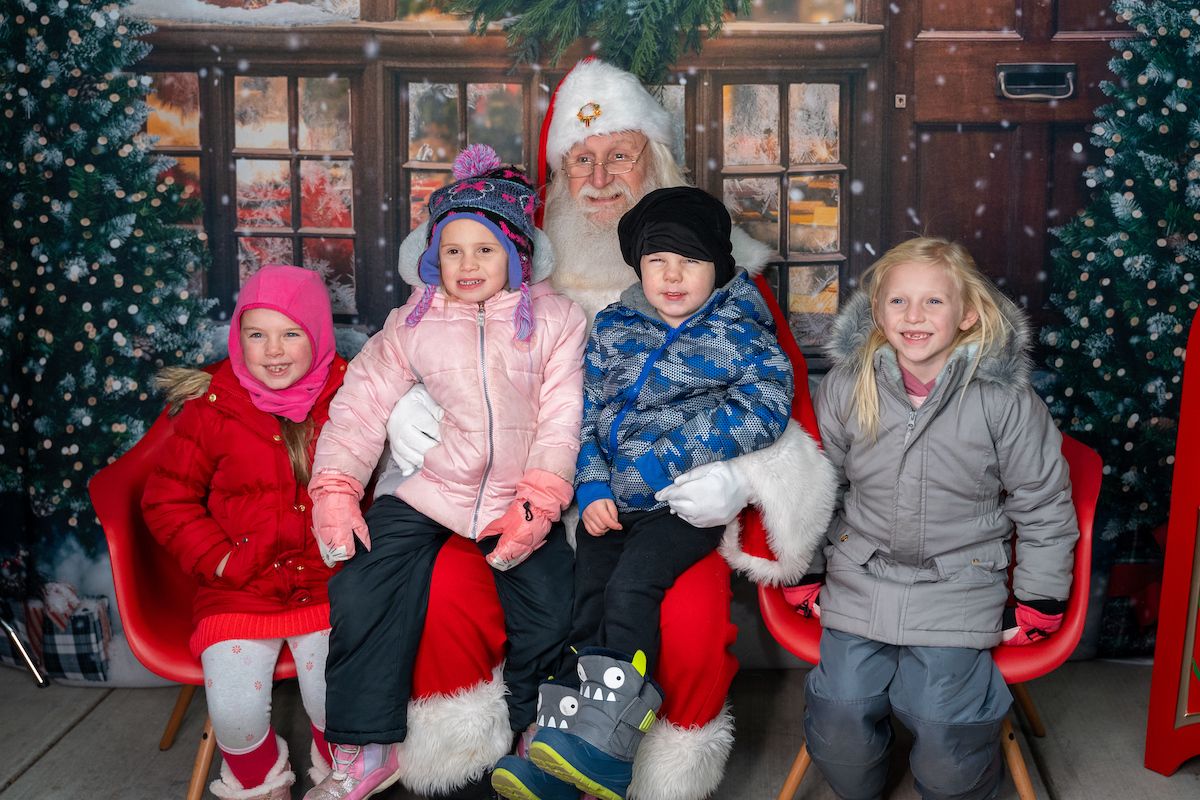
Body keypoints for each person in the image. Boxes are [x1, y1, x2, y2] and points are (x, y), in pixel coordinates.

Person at [383, 58, 836, 798]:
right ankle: (478, 767)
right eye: (580, 160)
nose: (598, 177)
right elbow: (409, 351)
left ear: (653, 160)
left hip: (663, 506)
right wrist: (408, 403)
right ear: (557, 176)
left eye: (619, 155)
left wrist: (740, 479)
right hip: (507, 497)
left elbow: (781, 408)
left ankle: (630, 771)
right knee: (446, 592)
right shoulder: (501, 264)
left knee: (681, 623)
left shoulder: (728, 291)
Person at [303, 145, 587, 800]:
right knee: (359, 590)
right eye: (453, 251)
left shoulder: (556, 322)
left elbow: (561, 419)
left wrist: (538, 503)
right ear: (434, 256)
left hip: (513, 497)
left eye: (484, 251)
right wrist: (338, 491)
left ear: (516, 254)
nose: (467, 266)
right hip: (430, 490)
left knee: (548, 606)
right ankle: (368, 747)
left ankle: (531, 733)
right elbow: (360, 408)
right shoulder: (415, 321)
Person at [495, 186, 795, 799]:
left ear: (719, 266)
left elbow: (766, 407)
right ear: (639, 267)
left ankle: (609, 749)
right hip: (614, 504)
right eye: (658, 261)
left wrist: (668, 463)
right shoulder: (613, 327)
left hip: (681, 505)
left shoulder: (740, 331)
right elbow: (588, 412)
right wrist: (595, 481)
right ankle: (560, 752)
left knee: (634, 588)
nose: (673, 275)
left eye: (690, 260)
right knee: (589, 598)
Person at [796, 237, 1079, 800]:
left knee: (948, 722)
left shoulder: (1005, 400)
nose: (914, 317)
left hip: (960, 584)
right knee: (841, 713)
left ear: (968, 313)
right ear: (876, 312)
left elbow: (1044, 501)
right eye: (898, 302)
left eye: (934, 302)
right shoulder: (848, 388)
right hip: (862, 577)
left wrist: (1042, 596)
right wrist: (802, 568)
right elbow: (813, 487)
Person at [141, 264, 346, 800]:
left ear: (318, 334)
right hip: (240, 587)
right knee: (233, 711)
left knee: (337, 695)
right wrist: (220, 559)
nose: (273, 351)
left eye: (291, 333)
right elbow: (166, 498)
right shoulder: (215, 405)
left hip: (326, 583)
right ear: (238, 337)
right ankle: (261, 781)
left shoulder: (350, 395)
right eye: (257, 334)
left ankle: (340, 774)